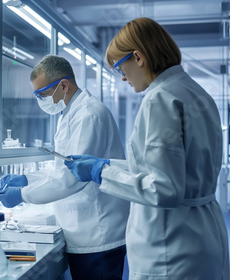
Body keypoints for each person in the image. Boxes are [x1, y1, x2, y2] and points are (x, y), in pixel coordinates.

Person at [65, 17, 230, 280]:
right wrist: (105, 165)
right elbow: (162, 168)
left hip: (171, 247)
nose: (122, 78)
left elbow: (163, 189)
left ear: (139, 57)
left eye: (120, 67)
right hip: (202, 234)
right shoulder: (196, 93)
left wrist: (101, 173)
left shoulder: (160, 99)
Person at [0, 55, 130, 280]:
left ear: (63, 85)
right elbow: (64, 166)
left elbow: (72, 178)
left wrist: (22, 194)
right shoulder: (70, 112)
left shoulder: (89, 114)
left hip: (97, 232)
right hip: (82, 229)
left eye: (42, 94)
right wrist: (28, 179)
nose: (40, 100)